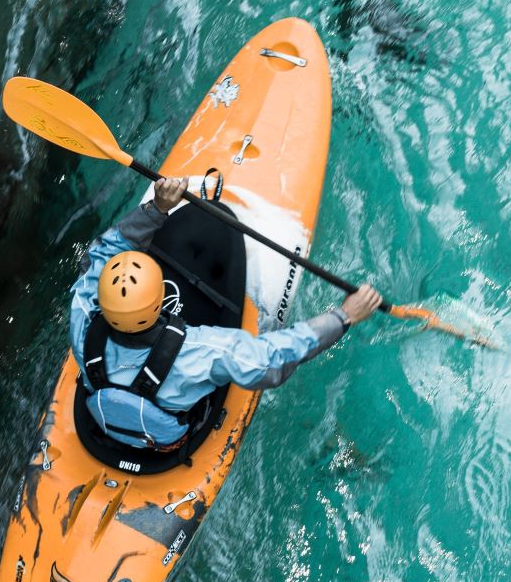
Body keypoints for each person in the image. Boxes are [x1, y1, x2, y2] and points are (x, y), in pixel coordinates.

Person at [70, 177, 383, 450]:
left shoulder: (83, 314)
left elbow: (99, 254)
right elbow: (272, 362)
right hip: (169, 438)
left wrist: (156, 209)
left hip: (107, 415)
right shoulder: (201, 351)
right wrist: (343, 317)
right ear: (160, 301)